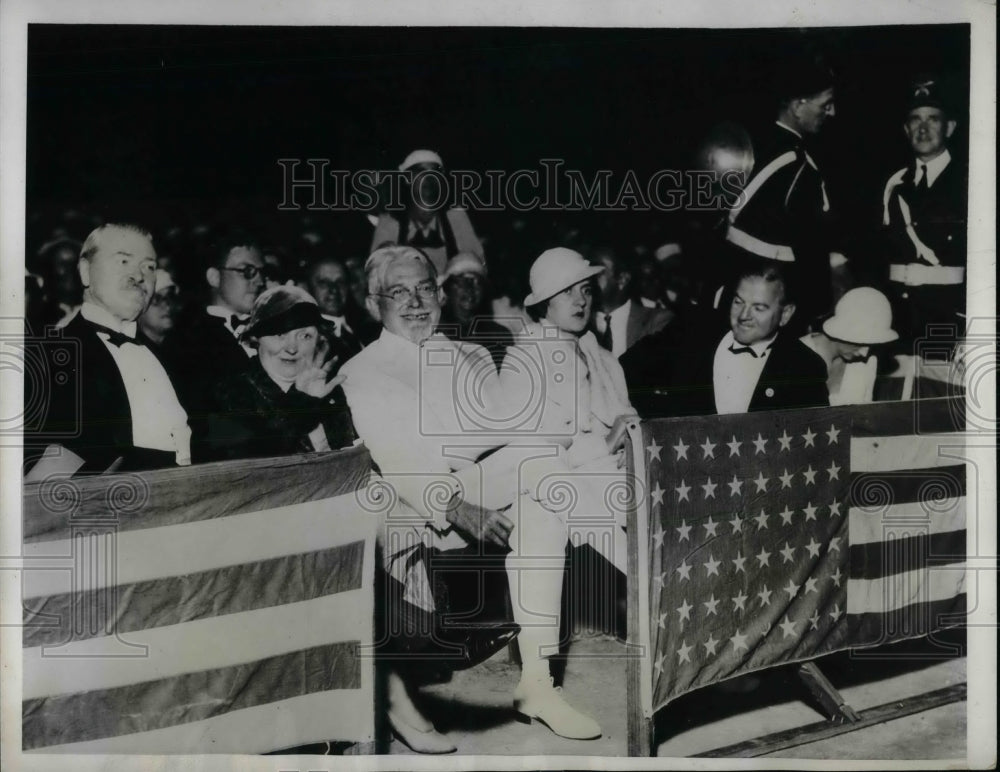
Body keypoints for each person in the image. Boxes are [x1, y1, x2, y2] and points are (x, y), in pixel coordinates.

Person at [341, 246, 604, 752]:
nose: (416, 301)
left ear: (440, 294)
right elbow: (398, 460)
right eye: (399, 292)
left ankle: (538, 684)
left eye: (425, 288)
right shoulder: (364, 370)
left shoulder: (471, 353)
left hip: (477, 481)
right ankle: (532, 683)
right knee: (541, 467)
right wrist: (455, 505)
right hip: (410, 504)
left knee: (544, 489)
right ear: (375, 304)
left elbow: (503, 433)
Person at [502, 247, 639, 573]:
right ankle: (644, 580)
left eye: (586, 290)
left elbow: (628, 418)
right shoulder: (524, 360)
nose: (581, 301)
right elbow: (535, 456)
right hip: (549, 487)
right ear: (543, 304)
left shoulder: (602, 357)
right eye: (567, 292)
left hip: (608, 477)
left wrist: (632, 442)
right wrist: (607, 444)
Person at [24, 223, 191, 478]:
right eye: (124, 261)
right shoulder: (46, 358)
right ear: (85, 272)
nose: (139, 275)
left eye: (150, 266)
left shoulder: (170, 358)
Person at [621, 260, 829, 418]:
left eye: (759, 308)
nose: (743, 316)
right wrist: (651, 419)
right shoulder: (693, 332)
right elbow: (624, 370)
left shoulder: (805, 368)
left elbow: (811, 450)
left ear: (786, 314)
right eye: (738, 302)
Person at [725, 56, 839, 329]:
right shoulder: (800, 170)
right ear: (798, 107)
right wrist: (819, 313)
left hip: (728, 297)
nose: (832, 112)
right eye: (825, 104)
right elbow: (812, 258)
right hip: (769, 315)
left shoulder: (745, 146)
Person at [204, 286, 353, 460]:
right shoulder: (229, 394)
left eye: (305, 336)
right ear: (255, 339)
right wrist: (303, 402)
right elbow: (248, 465)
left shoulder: (329, 389)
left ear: (319, 341)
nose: (291, 348)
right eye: (279, 334)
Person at [880, 76, 967, 348]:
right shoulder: (893, 184)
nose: (923, 128)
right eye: (916, 119)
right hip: (897, 320)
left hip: (950, 320)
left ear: (950, 128)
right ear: (906, 129)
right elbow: (875, 251)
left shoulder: (970, 183)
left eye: (933, 119)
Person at [165, 235, 266, 461]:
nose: (259, 281)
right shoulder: (186, 339)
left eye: (261, 271)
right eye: (247, 271)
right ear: (214, 276)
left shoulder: (272, 327)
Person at [369, 149, 484, 275]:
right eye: (421, 171)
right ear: (408, 178)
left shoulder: (456, 218)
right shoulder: (390, 221)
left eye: (435, 172)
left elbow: (477, 267)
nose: (429, 178)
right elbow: (377, 274)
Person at [800, 287, 898, 405]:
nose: (864, 353)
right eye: (861, 343)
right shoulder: (797, 355)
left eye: (871, 345)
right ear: (842, 330)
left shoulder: (866, 364)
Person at [591, 246, 673, 357]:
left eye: (598, 271)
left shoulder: (656, 321)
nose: (590, 278)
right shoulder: (579, 323)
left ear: (622, 279)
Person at [437, 251, 512, 372]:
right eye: (462, 281)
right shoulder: (432, 333)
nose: (470, 289)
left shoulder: (500, 336)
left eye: (477, 282)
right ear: (447, 287)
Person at [305, 256, 365, 367]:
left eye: (340, 282)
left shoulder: (366, 330)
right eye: (324, 283)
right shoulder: (306, 339)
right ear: (309, 288)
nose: (334, 289)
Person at [137, 269, 181, 346]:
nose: (167, 305)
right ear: (139, 308)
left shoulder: (185, 349)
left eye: (170, 297)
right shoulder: (131, 351)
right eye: (157, 299)